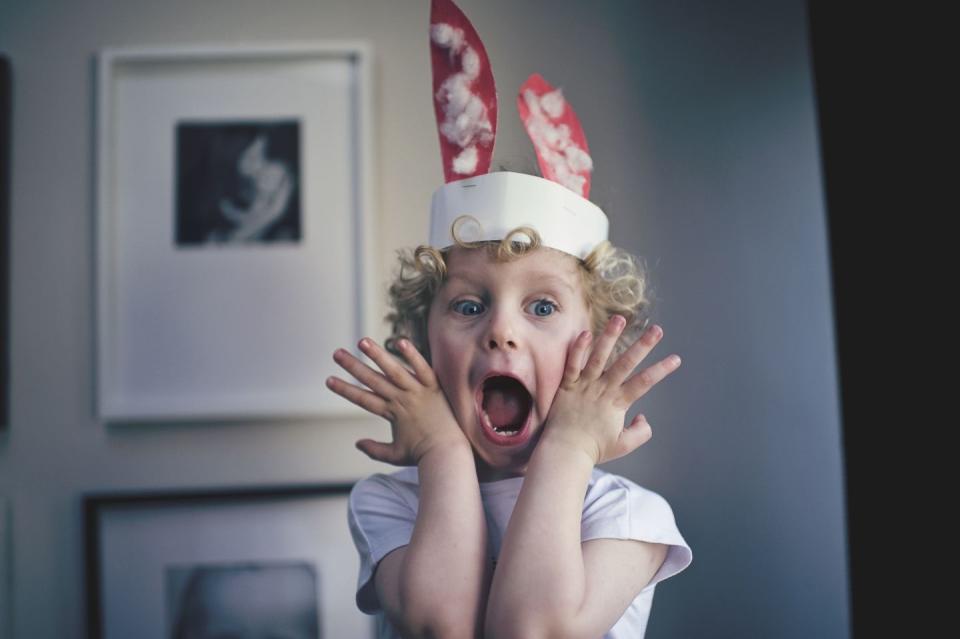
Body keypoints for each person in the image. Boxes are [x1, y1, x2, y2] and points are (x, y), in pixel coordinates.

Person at [328, 2, 693, 637]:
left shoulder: (627, 516)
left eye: (543, 307)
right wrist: (440, 447)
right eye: (468, 304)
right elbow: (443, 624)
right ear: (421, 341)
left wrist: (571, 447)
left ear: (596, 346)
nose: (501, 330)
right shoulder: (389, 501)